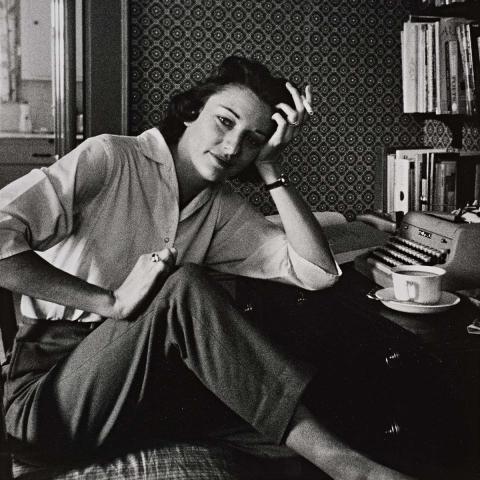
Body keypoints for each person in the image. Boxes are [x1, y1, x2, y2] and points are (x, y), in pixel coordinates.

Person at [0, 56, 414, 480]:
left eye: (253, 139)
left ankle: (347, 459)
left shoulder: (219, 209)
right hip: (48, 401)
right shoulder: (110, 158)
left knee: (306, 430)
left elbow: (316, 272)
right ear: (192, 112)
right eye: (224, 121)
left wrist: (273, 170)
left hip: (140, 394)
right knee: (184, 287)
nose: (234, 147)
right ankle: (350, 468)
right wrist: (110, 301)